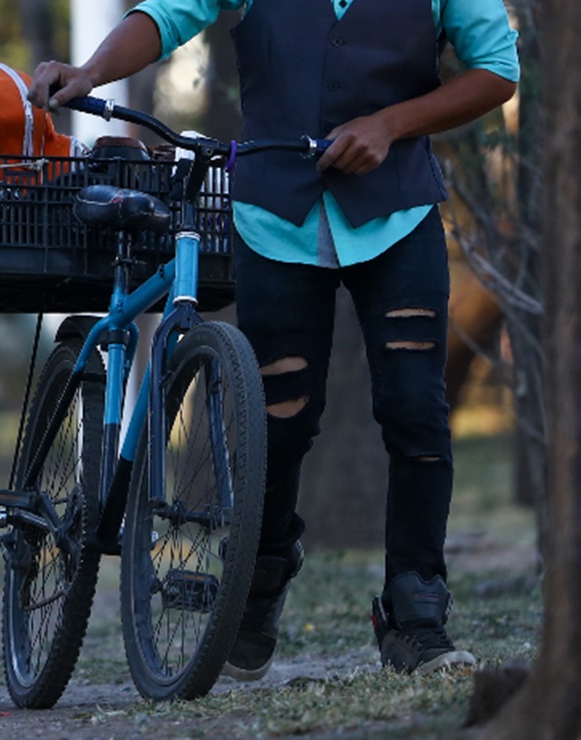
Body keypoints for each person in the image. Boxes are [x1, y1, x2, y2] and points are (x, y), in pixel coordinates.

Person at [28, 0, 518, 680]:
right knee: (278, 425)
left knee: (416, 418)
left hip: (397, 213)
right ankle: (257, 581)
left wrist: (389, 123)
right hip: (273, 218)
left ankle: (414, 616)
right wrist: (89, 70)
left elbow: (496, 68)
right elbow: (169, 15)